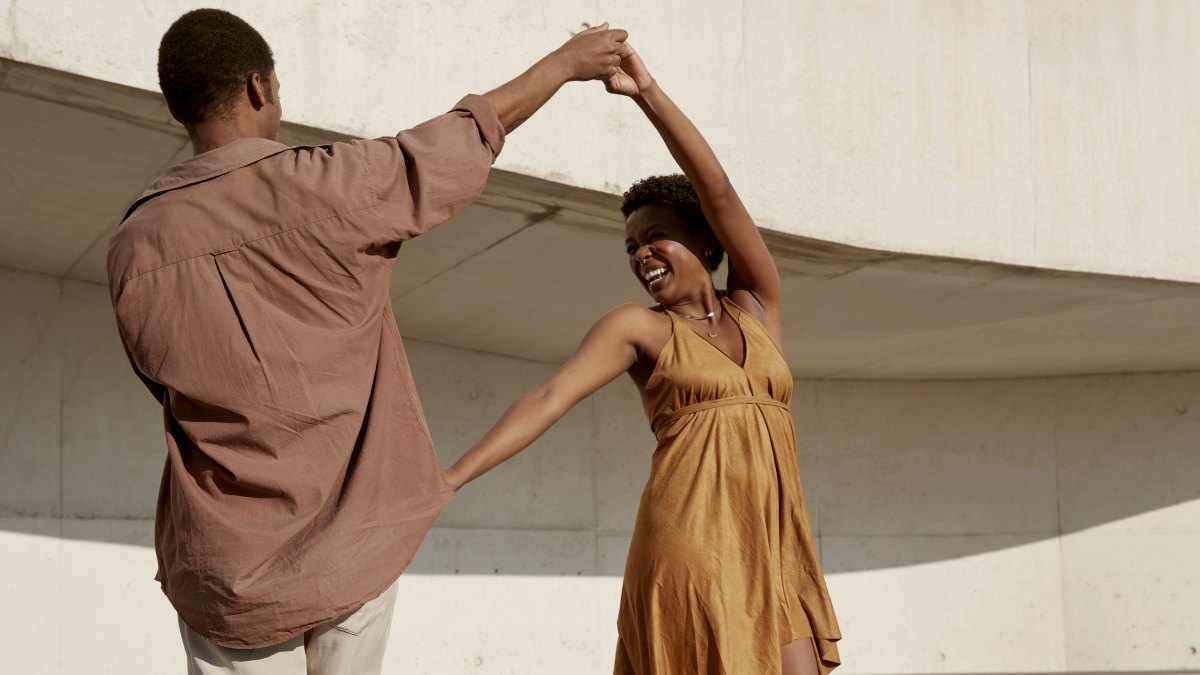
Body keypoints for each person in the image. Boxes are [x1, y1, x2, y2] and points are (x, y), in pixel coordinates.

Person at [106, 9, 627, 674]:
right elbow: (453, 145)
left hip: (227, 568)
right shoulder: (323, 183)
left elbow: (161, 379)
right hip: (355, 539)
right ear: (259, 87)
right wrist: (563, 63)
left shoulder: (131, 245)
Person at [444, 43, 842, 675]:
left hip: (773, 540)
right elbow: (552, 398)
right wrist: (450, 480)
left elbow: (720, 191)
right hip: (691, 543)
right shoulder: (638, 329)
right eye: (630, 245)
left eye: (655, 236)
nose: (640, 254)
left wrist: (648, 93)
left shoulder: (757, 306)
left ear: (704, 239)